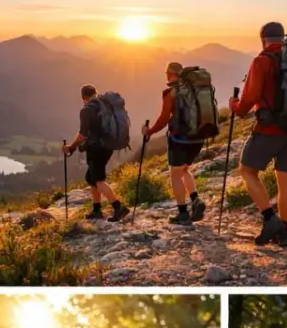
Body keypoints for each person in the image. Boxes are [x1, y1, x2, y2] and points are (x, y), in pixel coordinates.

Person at [231, 22, 287, 248]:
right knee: (285, 179)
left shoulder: (262, 60)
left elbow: (250, 96)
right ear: (283, 38)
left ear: (263, 38)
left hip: (270, 128)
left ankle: (269, 219)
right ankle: (283, 232)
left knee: (247, 170)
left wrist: (236, 107)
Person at [140, 63, 207, 227]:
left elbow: (163, 118)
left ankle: (183, 213)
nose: (166, 76)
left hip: (180, 138)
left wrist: (150, 131)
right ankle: (195, 199)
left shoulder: (171, 93)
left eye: (167, 73)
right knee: (184, 169)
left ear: (171, 74)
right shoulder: (196, 89)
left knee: (175, 173)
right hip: (198, 137)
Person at [63, 84, 129, 222]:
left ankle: (118, 207)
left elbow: (82, 134)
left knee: (98, 180)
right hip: (108, 146)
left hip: (96, 149)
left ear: (83, 98)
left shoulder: (87, 110)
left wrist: (71, 146)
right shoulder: (104, 105)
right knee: (91, 178)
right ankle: (97, 210)